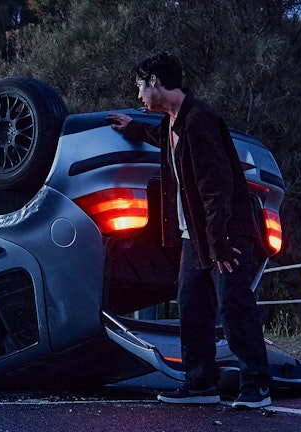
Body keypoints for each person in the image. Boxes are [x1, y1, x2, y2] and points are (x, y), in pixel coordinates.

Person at [106, 52, 274, 409]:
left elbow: (217, 186)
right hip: (196, 235)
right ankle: (201, 384)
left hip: (225, 233)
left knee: (234, 304)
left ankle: (257, 385)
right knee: (191, 305)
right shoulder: (173, 122)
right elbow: (162, 138)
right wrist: (134, 129)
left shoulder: (201, 120)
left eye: (140, 88)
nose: (139, 98)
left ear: (154, 81)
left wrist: (221, 244)